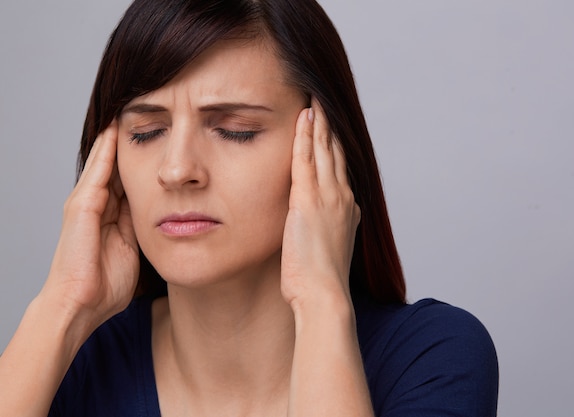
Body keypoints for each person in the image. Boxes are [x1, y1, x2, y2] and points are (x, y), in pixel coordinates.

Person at [0, 0, 499, 416]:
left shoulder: (433, 356)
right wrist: (61, 307)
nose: (176, 170)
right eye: (146, 132)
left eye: (235, 129)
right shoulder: (72, 362)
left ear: (327, 148)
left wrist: (321, 301)